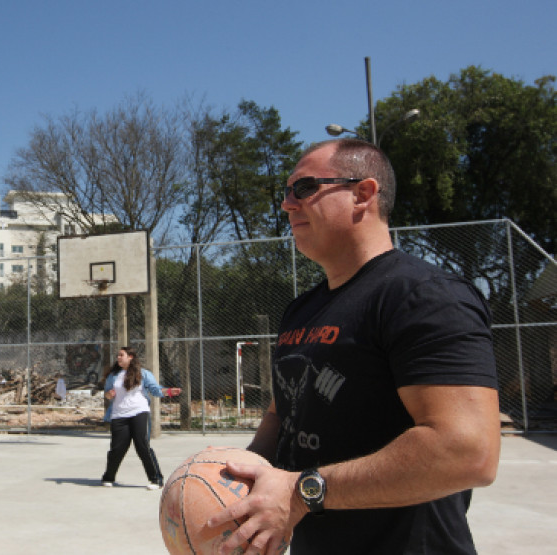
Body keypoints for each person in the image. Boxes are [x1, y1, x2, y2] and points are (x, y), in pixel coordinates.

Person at [208, 138, 500, 555]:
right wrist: (236, 479)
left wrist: (299, 492)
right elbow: (282, 412)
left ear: (363, 194)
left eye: (304, 188)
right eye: (285, 192)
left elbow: (467, 451)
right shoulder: (302, 309)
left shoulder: (424, 295)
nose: (288, 204)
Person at [100, 346, 181, 490]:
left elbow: (155, 390)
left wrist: (168, 391)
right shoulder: (113, 375)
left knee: (142, 445)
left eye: (121, 355)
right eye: (118, 355)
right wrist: (109, 395)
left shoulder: (143, 374)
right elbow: (106, 393)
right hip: (119, 415)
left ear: (130, 357)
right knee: (117, 449)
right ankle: (108, 477)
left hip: (139, 412)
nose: (118, 358)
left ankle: (156, 479)